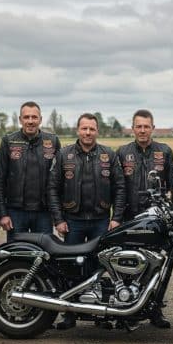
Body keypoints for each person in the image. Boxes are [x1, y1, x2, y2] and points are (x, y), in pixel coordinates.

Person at [48, 113, 126, 330]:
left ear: (97, 131)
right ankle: (69, 314)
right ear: (78, 130)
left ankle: (99, 314)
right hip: (72, 222)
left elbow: (120, 188)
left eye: (92, 129)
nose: (88, 133)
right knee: (71, 268)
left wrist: (117, 218)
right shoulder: (64, 155)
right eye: (84, 129)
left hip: (101, 221)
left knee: (99, 267)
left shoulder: (108, 155)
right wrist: (58, 219)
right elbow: (52, 189)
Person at [116, 109, 173, 328]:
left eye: (146, 126)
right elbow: (118, 188)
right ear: (133, 128)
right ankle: (125, 312)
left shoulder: (164, 151)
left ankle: (155, 310)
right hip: (131, 219)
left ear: (152, 128)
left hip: (156, 220)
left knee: (156, 266)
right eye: (138, 126)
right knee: (129, 265)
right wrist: (117, 217)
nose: (142, 130)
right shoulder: (122, 152)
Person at [0, 101, 61, 241]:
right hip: (16, 212)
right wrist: (3, 213)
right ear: (20, 119)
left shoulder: (53, 141)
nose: (30, 121)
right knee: (17, 255)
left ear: (40, 119)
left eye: (34, 117)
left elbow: (58, 181)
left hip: (44, 212)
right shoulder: (8, 141)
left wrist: (58, 215)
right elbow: (0, 180)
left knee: (44, 255)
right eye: (26, 117)